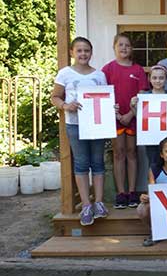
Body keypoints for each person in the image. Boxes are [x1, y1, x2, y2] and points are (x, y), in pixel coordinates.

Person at [51, 37, 109, 226]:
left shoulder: (99, 75)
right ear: (72, 52)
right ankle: (86, 204)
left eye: (87, 51)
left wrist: (111, 109)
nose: (83, 54)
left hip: (97, 124)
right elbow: (55, 97)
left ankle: (99, 202)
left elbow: (104, 99)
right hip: (75, 124)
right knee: (82, 163)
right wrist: (66, 105)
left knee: (98, 163)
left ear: (91, 53)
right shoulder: (65, 73)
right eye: (79, 50)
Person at [102, 34, 149, 209]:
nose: (124, 48)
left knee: (132, 152)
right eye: (120, 45)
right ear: (114, 47)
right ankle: (121, 193)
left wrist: (130, 114)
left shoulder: (137, 70)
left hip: (133, 117)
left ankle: (132, 192)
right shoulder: (107, 69)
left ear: (131, 49)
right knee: (118, 153)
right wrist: (114, 114)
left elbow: (142, 96)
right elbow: (102, 95)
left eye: (127, 45)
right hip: (114, 118)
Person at [130, 64, 167, 167]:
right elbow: (140, 117)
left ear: (166, 79)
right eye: (154, 78)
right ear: (149, 79)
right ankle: (153, 183)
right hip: (150, 138)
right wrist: (133, 106)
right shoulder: (145, 96)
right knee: (153, 164)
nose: (158, 81)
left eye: (161, 78)